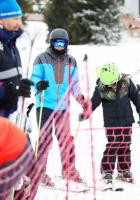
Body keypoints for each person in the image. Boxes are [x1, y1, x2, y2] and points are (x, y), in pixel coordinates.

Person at [30, 28, 91, 186]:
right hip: (44, 105)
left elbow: (74, 84)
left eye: (62, 43)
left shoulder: (71, 61)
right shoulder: (41, 58)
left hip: (62, 107)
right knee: (44, 139)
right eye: (56, 43)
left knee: (66, 140)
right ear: (51, 43)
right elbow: (34, 78)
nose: (59, 46)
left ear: (67, 44)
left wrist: (80, 98)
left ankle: (69, 170)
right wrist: (39, 84)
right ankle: (39, 172)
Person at [79, 63, 140, 185]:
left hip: (126, 120)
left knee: (125, 145)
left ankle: (124, 170)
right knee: (113, 145)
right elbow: (93, 103)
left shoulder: (126, 82)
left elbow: (136, 97)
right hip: (111, 122)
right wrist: (85, 114)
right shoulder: (101, 87)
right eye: (108, 84)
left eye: (112, 83)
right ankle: (107, 171)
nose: (110, 85)